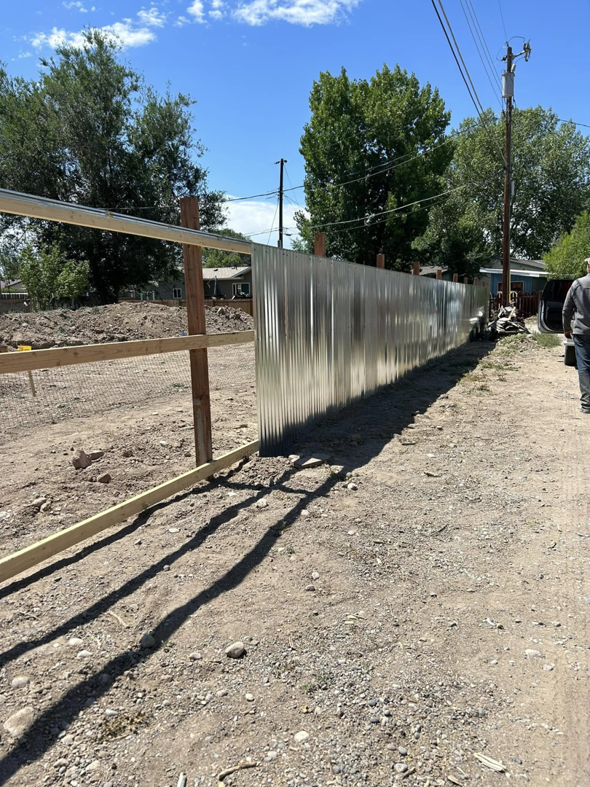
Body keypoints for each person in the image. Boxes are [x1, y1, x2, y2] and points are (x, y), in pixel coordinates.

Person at [563, 257, 590, 414]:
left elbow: (566, 310)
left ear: (588, 267)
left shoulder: (577, 284)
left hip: (582, 332)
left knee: (585, 367)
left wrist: (567, 328)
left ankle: (587, 405)